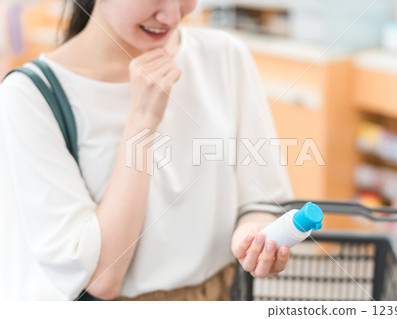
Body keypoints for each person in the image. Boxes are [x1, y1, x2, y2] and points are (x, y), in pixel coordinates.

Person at [0, 0, 293, 300]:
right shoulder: (31, 96)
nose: (172, 15)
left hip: (218, 295)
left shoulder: (226, 56)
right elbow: (101, 277)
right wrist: (142, 120)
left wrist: (256, 236)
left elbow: (262, 197)